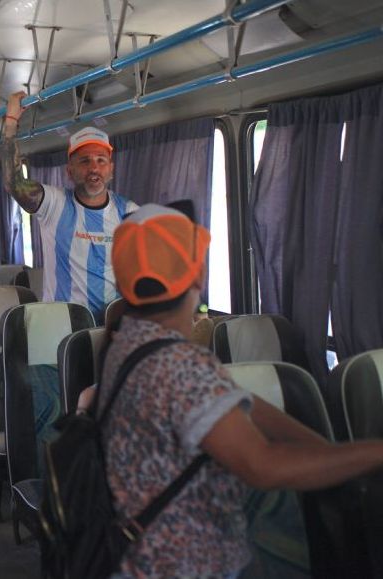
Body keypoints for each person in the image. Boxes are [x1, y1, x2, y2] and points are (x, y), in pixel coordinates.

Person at [99, 202, 383, 577]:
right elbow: (261, 466)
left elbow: (239, 401)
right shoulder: (178, 365)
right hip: (184, 566)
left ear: (122, 285)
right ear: (198, 275)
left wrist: (327, 451)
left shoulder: (128, 343)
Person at [2, 91, 139, 324]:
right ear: (70, 171)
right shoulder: (53, 203)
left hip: (109, 328)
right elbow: (14, 184)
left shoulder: (129, 212)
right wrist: (11, 123)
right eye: (84, 161)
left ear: (111, 170)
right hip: (58, 327)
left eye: (101, 160)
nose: (93, 168)